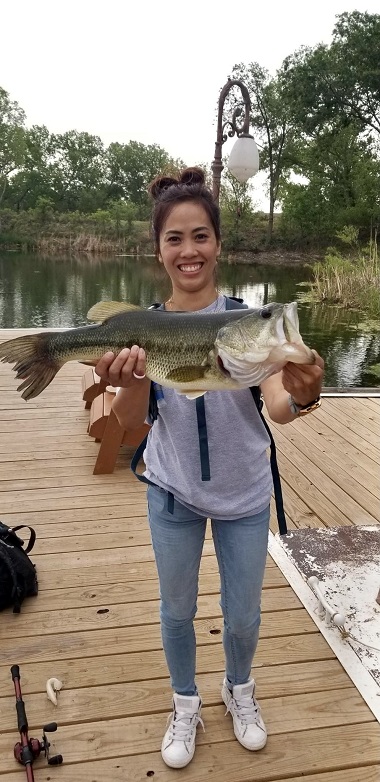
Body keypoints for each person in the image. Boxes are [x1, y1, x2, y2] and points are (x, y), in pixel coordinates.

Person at [94, 167, 324, 769]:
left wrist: (305, 391)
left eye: (200, 236)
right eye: (175, 238)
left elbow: (279, 405)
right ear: (158, 250)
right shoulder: (144, 325)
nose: (188, 250)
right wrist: (131, 376)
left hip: (244, 494)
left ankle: (238, 690)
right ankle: (185, 700)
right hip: (171, 491)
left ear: (218, 243)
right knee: (176, 609)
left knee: (243, 612)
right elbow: (130, 424)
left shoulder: (249, 326)